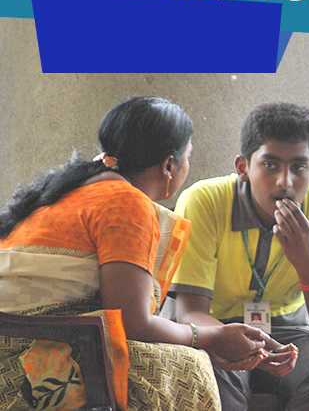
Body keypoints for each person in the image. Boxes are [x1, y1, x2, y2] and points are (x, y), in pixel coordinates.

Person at [0, 96, 293, 410]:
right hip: (29, 360)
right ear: (169, 165)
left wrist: (211, 338)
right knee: (190, 367)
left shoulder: (72, 189)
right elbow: (134, 323)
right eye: (187, 157)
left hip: (21, 346)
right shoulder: (126, 202)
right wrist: (210, 339)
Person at [172, 102, 309, 411]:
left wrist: (308, 262)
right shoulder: (205, 201)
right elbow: (189, 312)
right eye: (271, 165)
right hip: (217, 329)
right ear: (243, 167)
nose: (285, 182)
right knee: (205, 365)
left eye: (299, 167)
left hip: (293, 335)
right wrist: (239, 340)